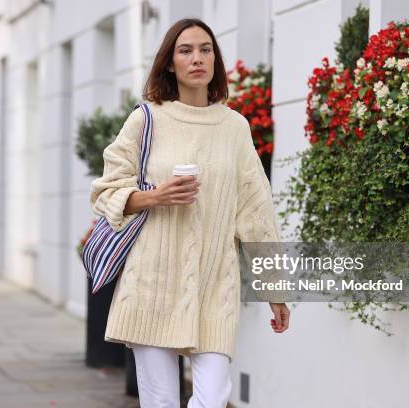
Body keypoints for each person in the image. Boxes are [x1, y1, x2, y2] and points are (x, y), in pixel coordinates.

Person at [90, 18, 290, 408]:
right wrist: (155, 197)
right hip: (151, 285)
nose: (197, 58)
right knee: (161, 402)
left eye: (205, 49)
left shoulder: (235, 127)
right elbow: (106, 191)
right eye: (185, 51)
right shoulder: (146, 119)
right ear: (170, 63)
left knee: (213, 398)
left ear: (215, 59)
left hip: (215, 288)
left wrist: (275, 289)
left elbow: (256, 212)